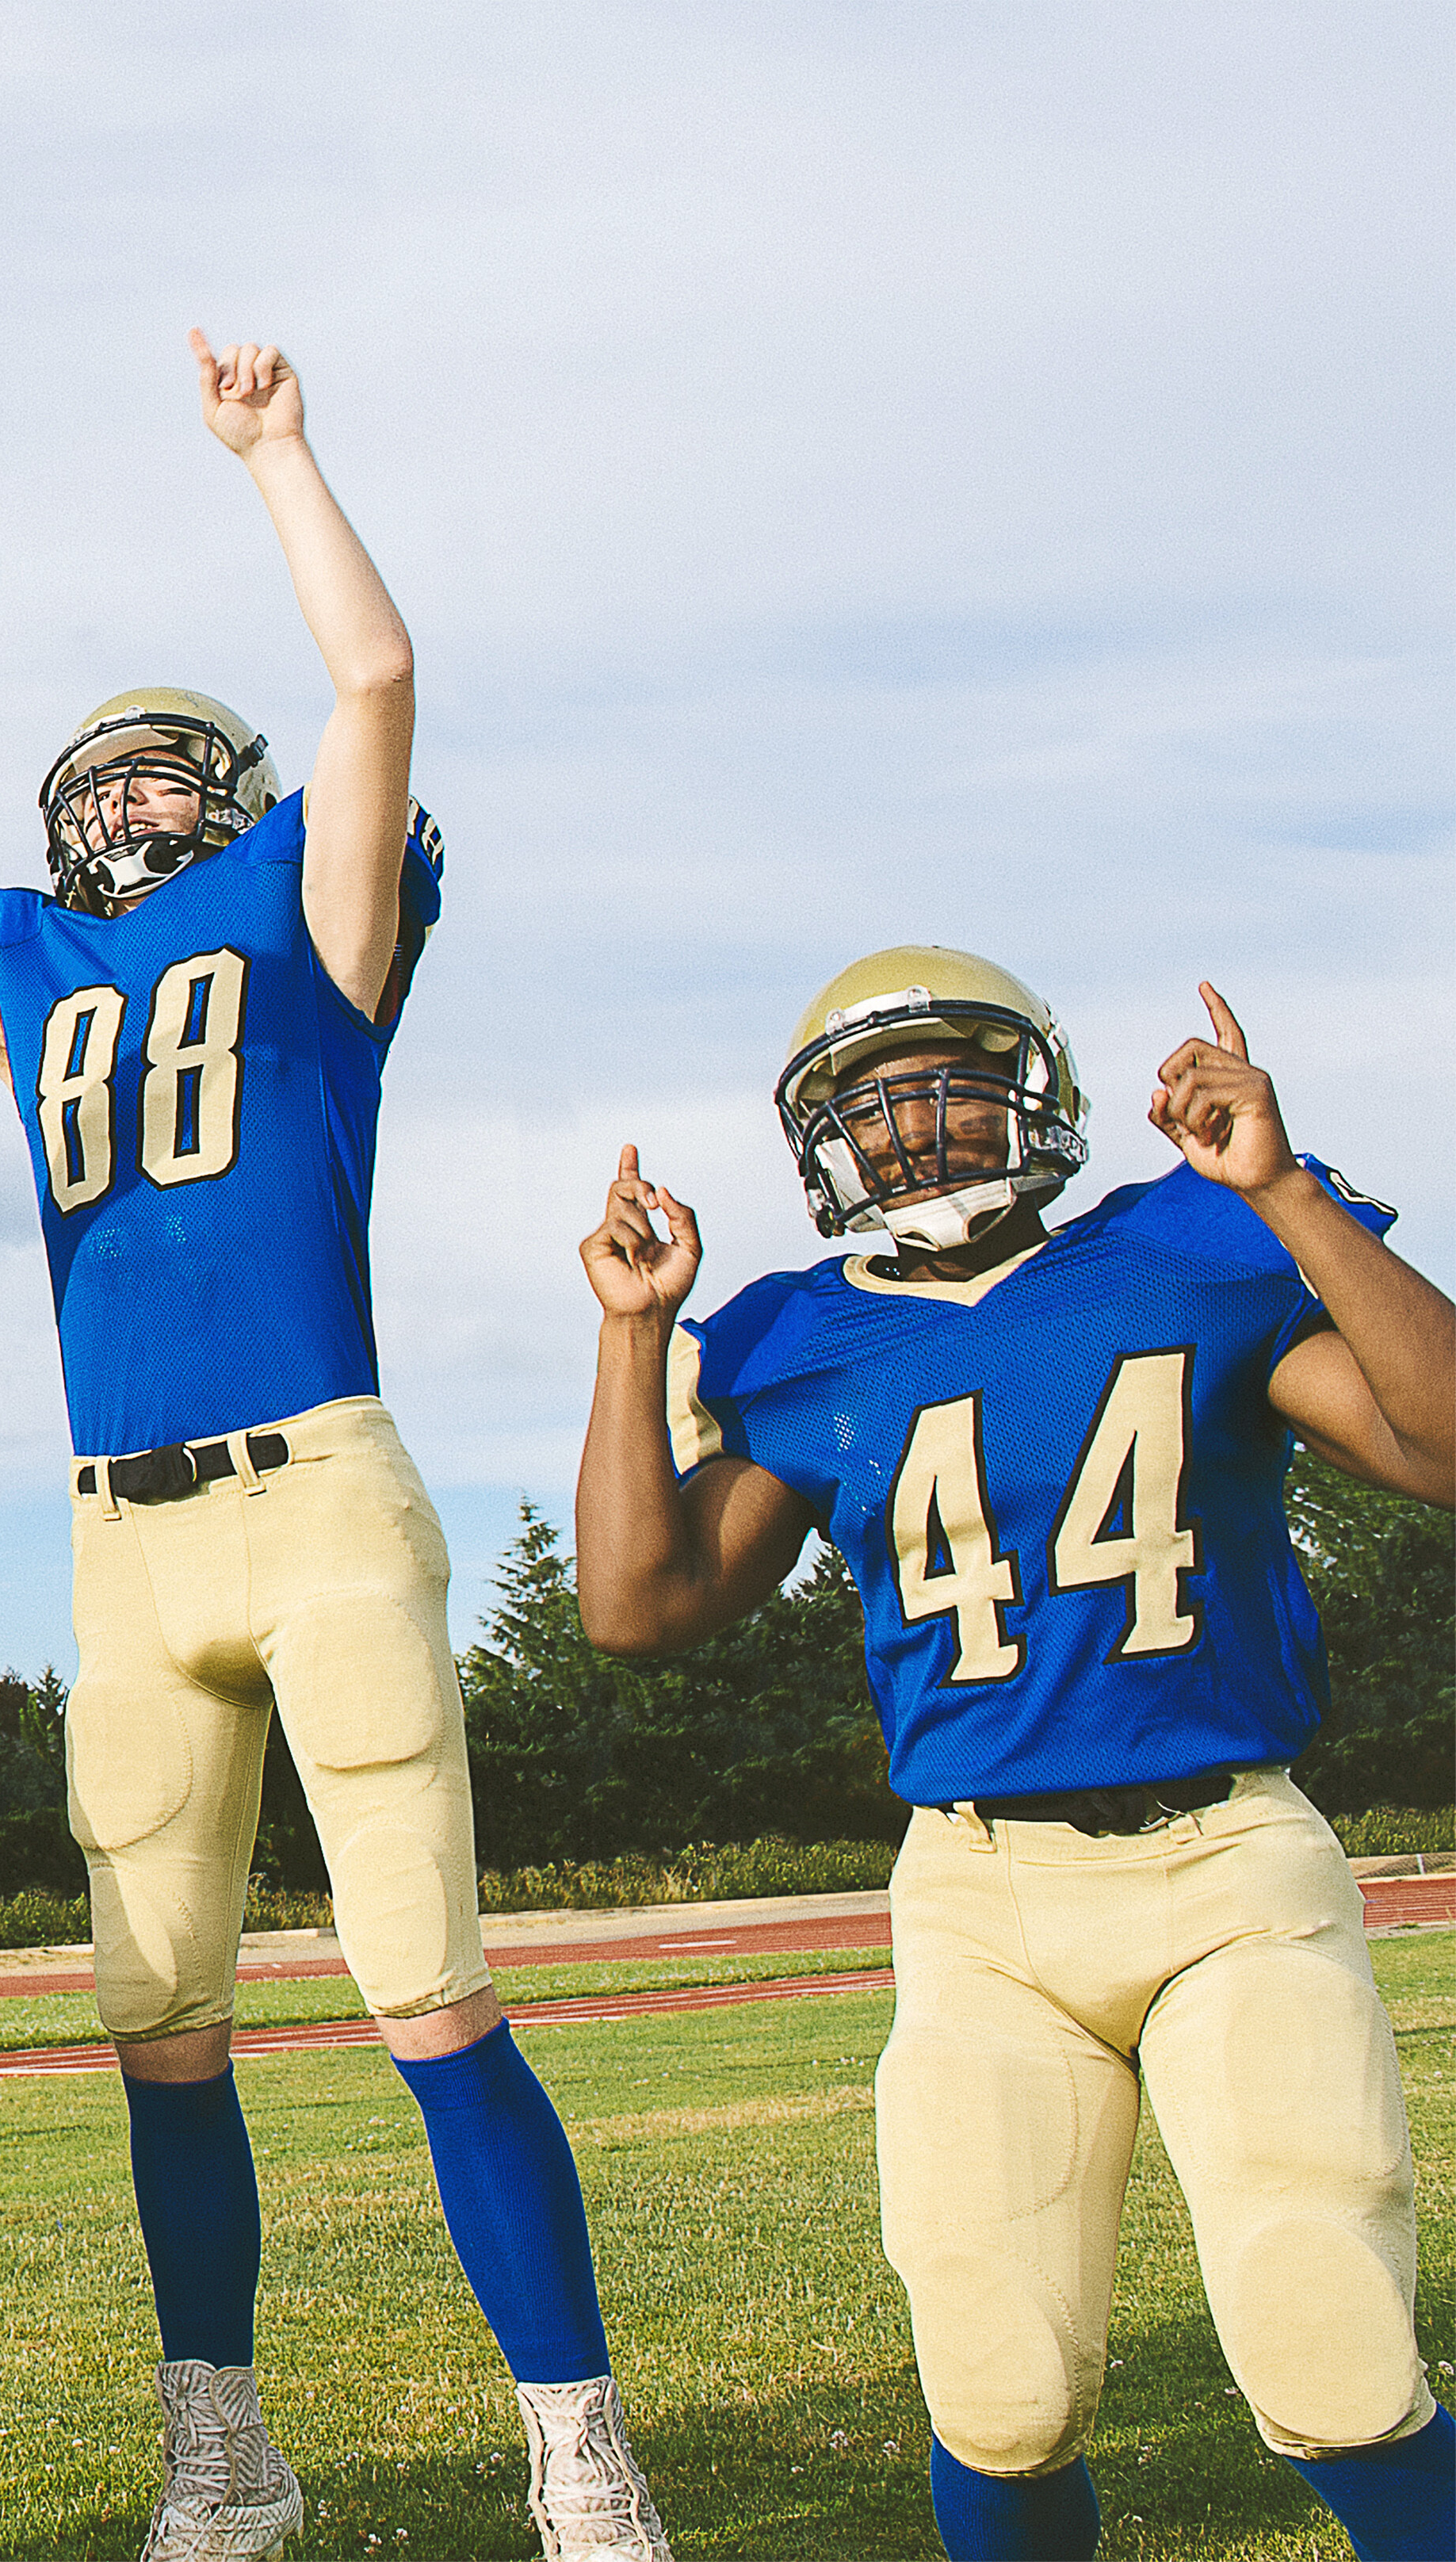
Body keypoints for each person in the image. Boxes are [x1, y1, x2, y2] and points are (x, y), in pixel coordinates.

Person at [0, 347, 661, 2558]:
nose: (126, 808)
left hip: (314, 1494)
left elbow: (371, 669)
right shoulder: (29, 964)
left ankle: (571, 2439)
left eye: (169, 778)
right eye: (99, 787)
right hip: (116, 1544)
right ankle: (223, 2440)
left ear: (241, 799)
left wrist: (274, 455)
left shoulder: (311, 915)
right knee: (155, 2018)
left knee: (427, 1993)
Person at [570, 954, 1454, 2562]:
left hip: (1232, 1861)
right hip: (981, 1892)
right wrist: (636, 1336)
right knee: (1001, 2382)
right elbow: (642, 1603)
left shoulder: (1192, 1244)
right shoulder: (799, 1337)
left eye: (949, 1079)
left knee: (1327, 2334)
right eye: (871, 1099)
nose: (914, 1124)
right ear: (819, 1141)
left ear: (1034, 1089)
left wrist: (1285, 1193)